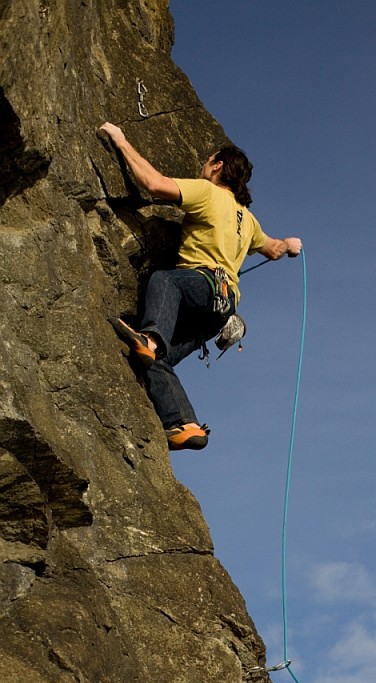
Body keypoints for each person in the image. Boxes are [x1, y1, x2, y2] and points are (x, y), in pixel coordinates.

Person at [99, 122, 302, 451]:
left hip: (203, 284)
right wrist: (289, 243)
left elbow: (152, 183)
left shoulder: (207, 192)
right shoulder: (247, 220)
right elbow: (274, 249)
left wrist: (121, 141)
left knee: (165, 282)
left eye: (208, 161)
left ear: (218, 165)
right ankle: (184, 424)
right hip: (223, 309)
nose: (203, 166)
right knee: (159, 360)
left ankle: (149, 338)